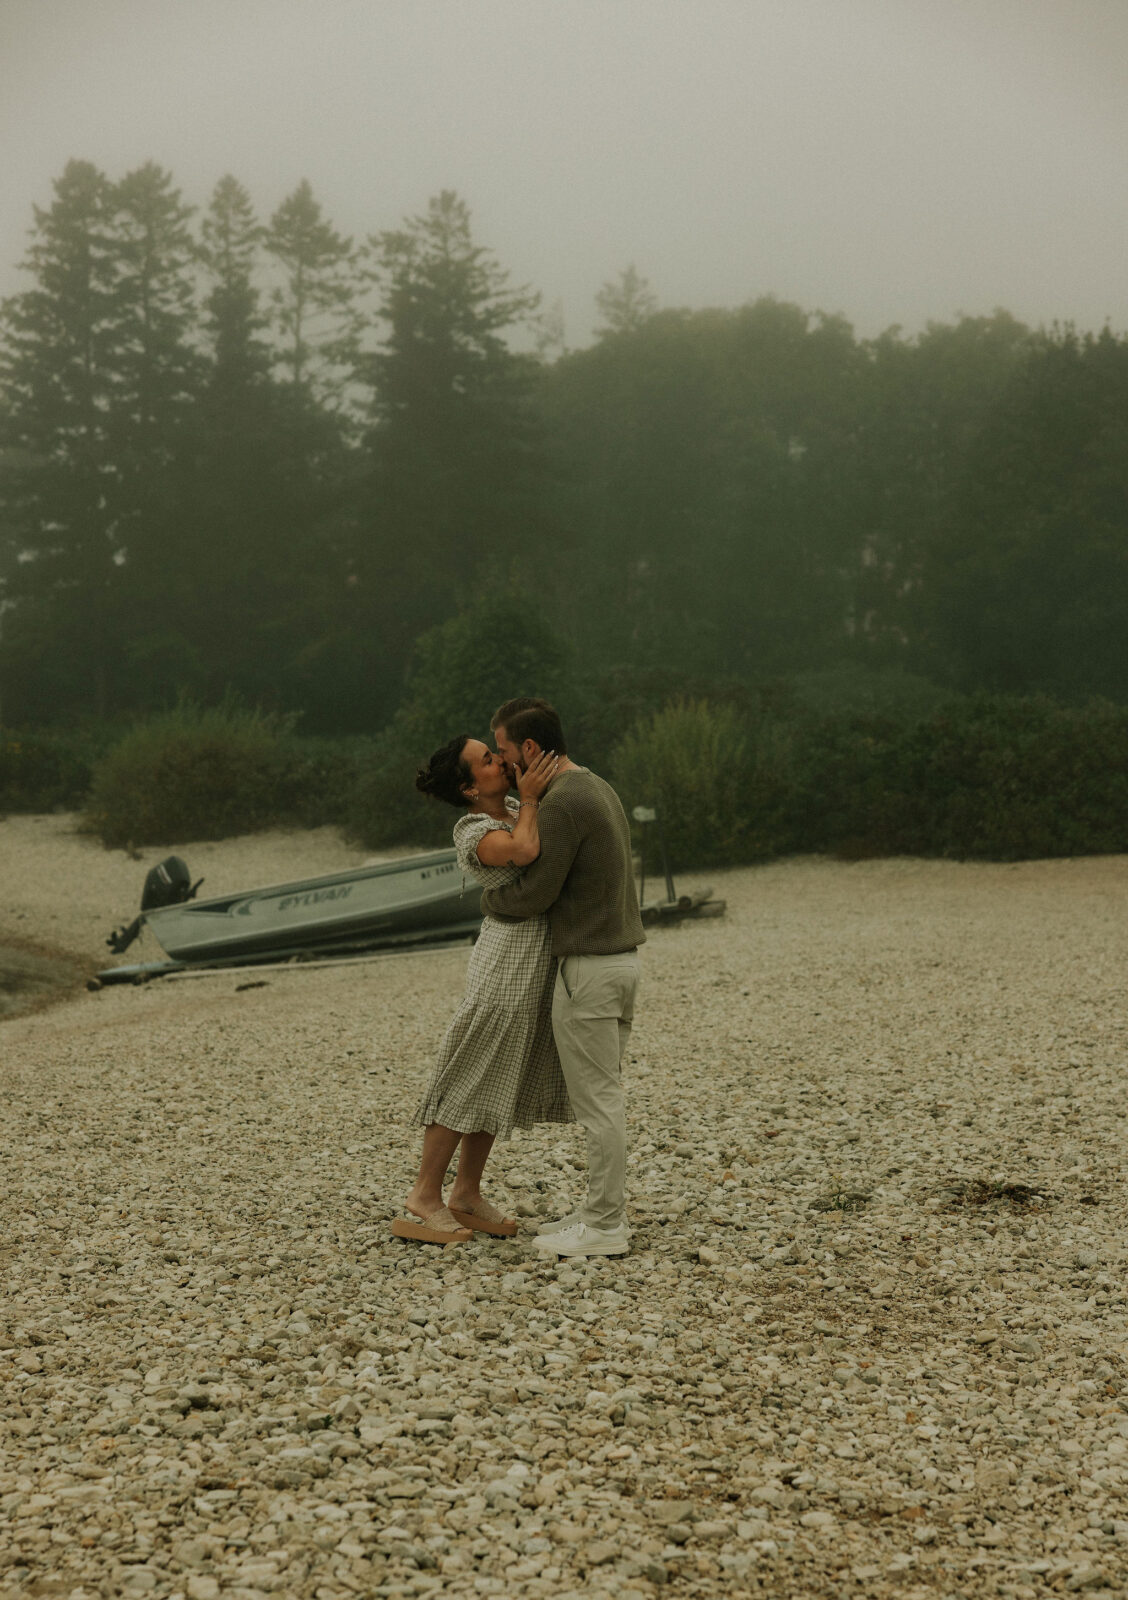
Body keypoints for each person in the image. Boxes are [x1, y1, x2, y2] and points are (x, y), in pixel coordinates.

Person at [482, 697, 644, 1259]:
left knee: (599, 1102)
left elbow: (534, 894)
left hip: (589, 969)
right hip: (621, 963)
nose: (502, 766)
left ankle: (605, 1226)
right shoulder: (596, 786)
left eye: (503, 752)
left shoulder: (565, 802)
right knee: (605, 1097)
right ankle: (601, 1212)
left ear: (529, 748)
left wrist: (485, 896)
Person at [392, 735, 570, 1245]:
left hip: (533, 964)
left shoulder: (515, 806)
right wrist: (533, 801)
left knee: (498, 1081)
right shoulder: (474, 829)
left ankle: (465, 1192)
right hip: (503, 966)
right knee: (468, 1073)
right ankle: (424, 1195)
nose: (501, 762)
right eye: (489, 761)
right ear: (470, 788)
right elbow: (524, 850)